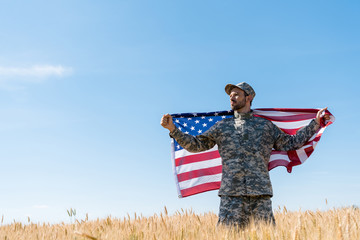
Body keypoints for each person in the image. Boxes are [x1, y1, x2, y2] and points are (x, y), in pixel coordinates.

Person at [160, 82, 330, 228]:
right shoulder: (222, 127)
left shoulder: (265, 126)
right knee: (227, 236)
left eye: (236, 94)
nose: (232, 98)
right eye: (230, 95)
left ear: (248, 97)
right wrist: (173, 130)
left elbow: (291, 143)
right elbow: (196, 145)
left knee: (266, 236)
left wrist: (315, 124)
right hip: (231, 196)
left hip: (260, 196)